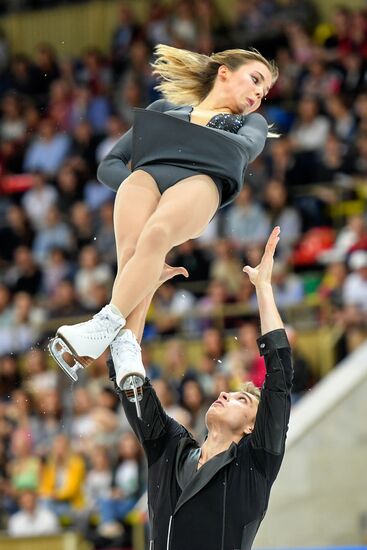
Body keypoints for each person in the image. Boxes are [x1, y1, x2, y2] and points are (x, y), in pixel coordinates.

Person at [49, 43, 278, 402]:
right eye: (255, 80)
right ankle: (128, 351)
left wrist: (173, 145)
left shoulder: (252, 122)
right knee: (133, 250)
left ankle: (102, 326)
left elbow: (242, 150)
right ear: (224, 72)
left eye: (264, 92)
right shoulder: (163, 110)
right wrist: (134, 183)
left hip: (201, 182)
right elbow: (110, 163)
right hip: (150, 179)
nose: (258, 95)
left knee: (156, 233)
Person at [107, 226, 293, 550]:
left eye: (241, 399)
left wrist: (263, 287)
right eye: (231, 392)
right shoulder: (170, 448)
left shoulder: (255, 463)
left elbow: (280, 378)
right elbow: (127, 372)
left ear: (253, 426)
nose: (224, 394)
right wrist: (145, 288)